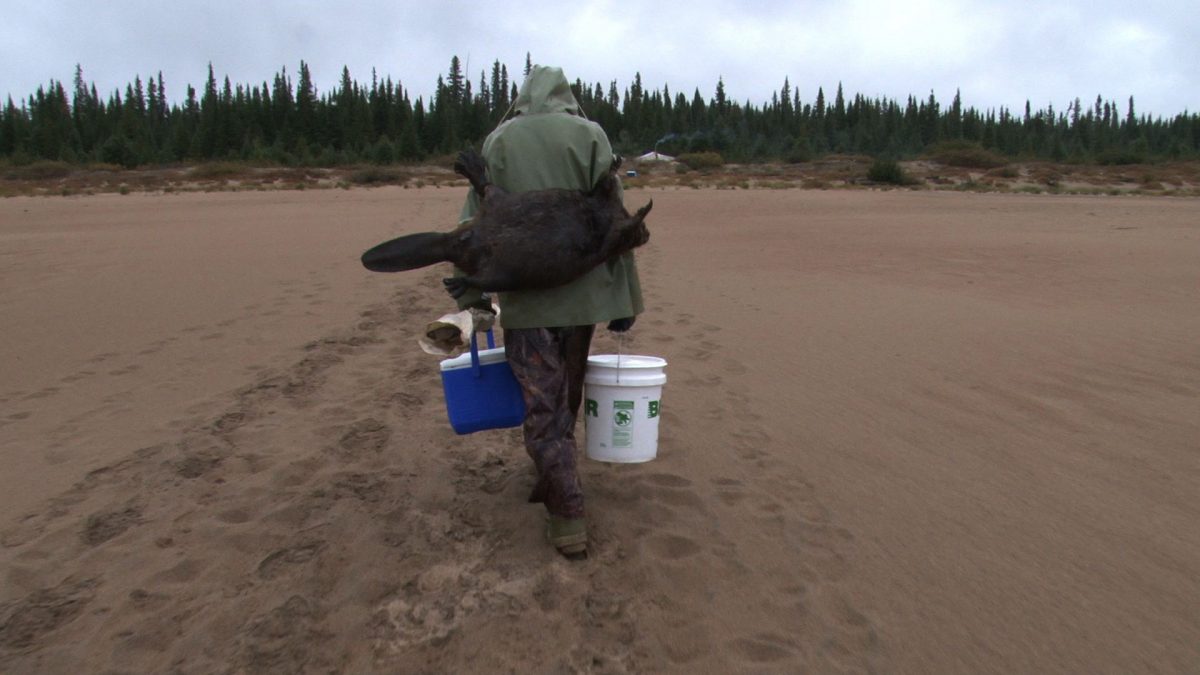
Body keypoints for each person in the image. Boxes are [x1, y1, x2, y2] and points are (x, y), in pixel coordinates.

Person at [454, 65, 643, 560]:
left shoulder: (499, 142)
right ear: (565, 95)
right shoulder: (591, 136)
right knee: (566, 397)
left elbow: (476, 221)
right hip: (582, 298)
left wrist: (472, 298)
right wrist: (626, 300)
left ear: (523, 96)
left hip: (526, 297)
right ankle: (558, 480)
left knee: (542, 402)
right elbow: (614, 221)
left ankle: (566, 514)